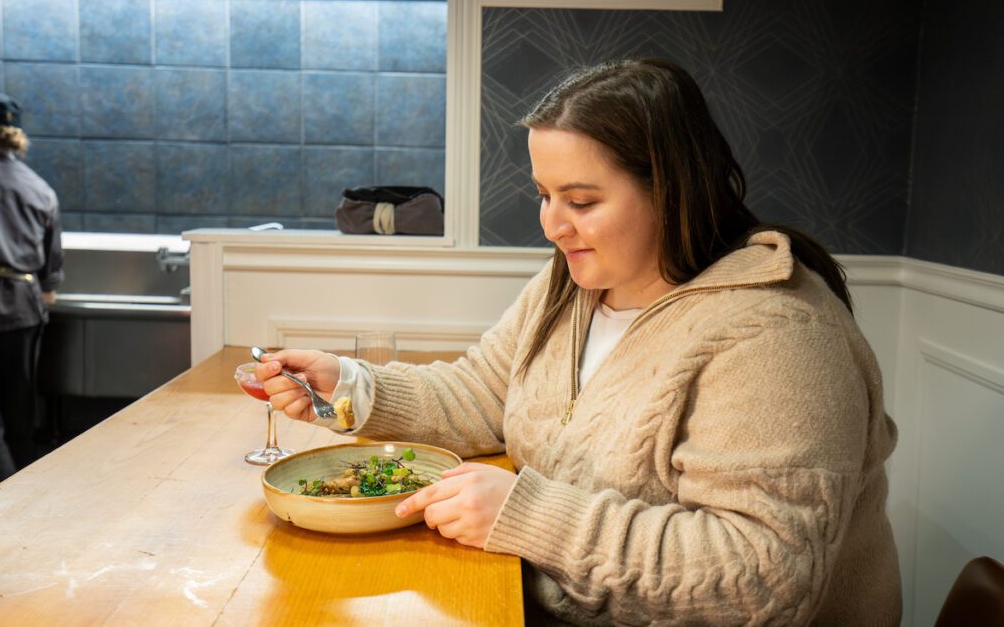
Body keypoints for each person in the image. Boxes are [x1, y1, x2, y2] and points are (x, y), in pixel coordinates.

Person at [256, 58, 902, 625]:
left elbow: (763, 578)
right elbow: (483, 393)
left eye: (583, 200)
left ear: (674, 191)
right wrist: (351, 387)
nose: (553, 225)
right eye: (543, 195)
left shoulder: (781, 340)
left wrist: (527, 516)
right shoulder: (572, 284)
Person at [0, 93, 63, 489]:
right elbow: (51, 266)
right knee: (19, 407)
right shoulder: (37, 186)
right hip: (20, 305)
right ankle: (20, 490)